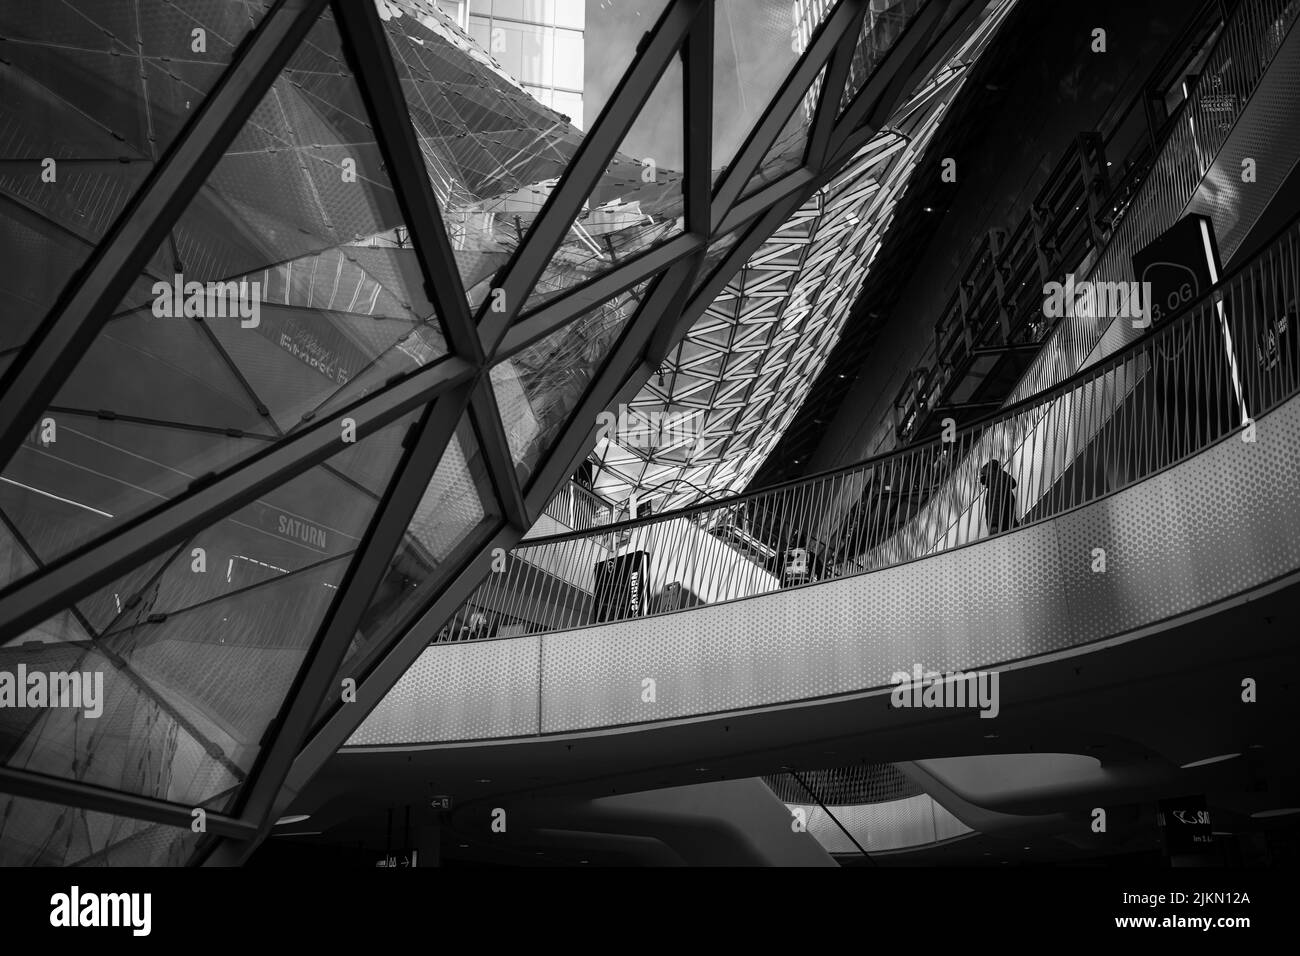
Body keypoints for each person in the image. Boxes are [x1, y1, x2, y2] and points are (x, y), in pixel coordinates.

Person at [979, 459, 1018, 534]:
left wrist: (994, 524)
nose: (982, 477)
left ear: (990, 470)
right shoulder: (1002, 481)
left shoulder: (995, 480)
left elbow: (995, 501)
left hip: (1001, 527)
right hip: (1009, 524)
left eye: (984, 473)